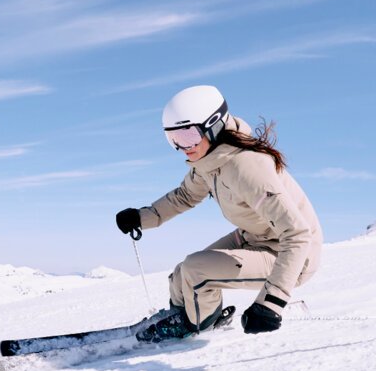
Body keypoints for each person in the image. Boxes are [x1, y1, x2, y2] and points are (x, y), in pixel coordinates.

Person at [116, 85, 322, 342]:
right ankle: (188, 316)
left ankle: (196, 326)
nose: (183, 147)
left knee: (196, 271)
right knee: (181, 275)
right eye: (174, 139)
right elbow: (185, 196)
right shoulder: (210, 161)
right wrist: (141, 217)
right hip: (256, 237)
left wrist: (271, 303)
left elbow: (298, 234)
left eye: (188, 135)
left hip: (292, 255)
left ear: (214, 125)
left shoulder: (247, 167)